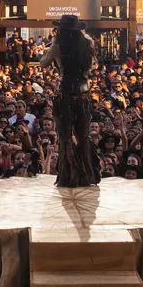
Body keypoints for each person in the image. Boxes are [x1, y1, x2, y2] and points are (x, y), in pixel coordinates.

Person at [40, 14, 100, 188]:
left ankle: (69, 177)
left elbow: (43, 63)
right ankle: (87, 175)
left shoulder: (57, 47)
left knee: (65, 136)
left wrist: (53, 45)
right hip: (84, 93)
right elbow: (90, 65)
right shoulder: (88, 44)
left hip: (65, 93)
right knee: (83, 135)